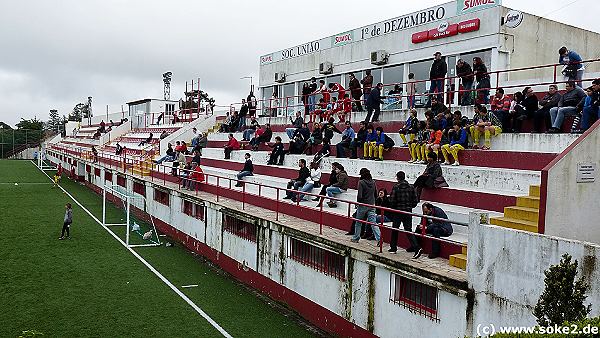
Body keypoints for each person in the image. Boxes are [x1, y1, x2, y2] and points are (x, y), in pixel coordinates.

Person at [388, 171, 419, 254]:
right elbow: (415, 200)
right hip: (408, 211)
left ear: (397, 178)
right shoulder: (411, 187)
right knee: (408, 230)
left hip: (398, 211)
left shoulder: (396, 187)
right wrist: (409, 206)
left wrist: (394, 207)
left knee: (395, 229)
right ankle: (416, 247)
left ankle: (393, 247)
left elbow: (392, 200)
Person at [350, 168, 380, 245]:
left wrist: (358, 203)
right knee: (373, 223)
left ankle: (356, 237)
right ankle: (379, 239)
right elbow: (376, 194)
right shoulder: (373, 182)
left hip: (363, 205)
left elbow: (359, 196)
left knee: (358, 222)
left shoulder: (361, 182)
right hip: (372, 204)